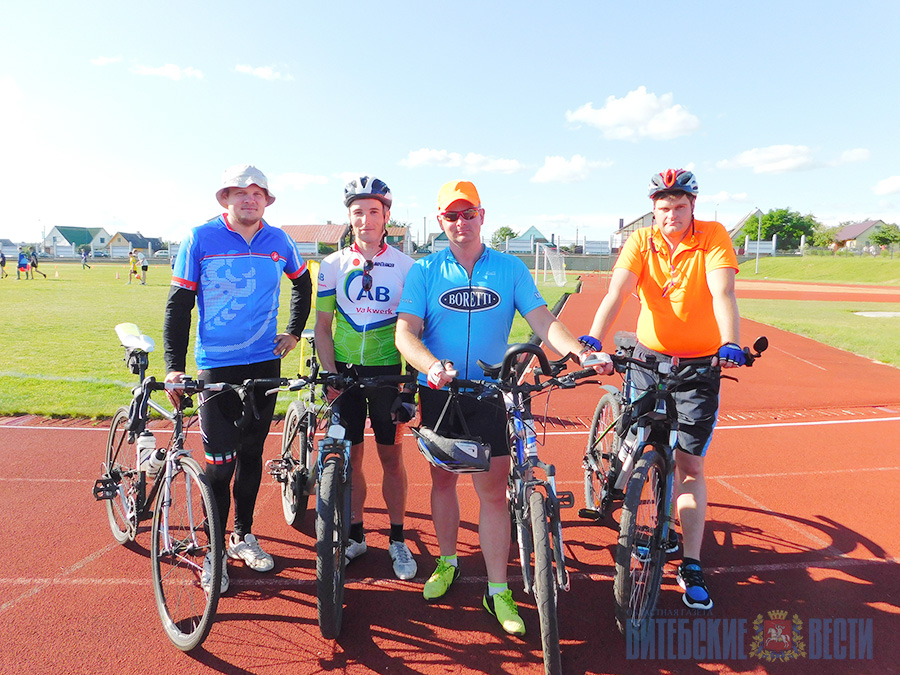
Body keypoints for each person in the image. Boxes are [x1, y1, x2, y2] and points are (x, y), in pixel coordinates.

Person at [394, 180, 593, 636]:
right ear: (440, 220)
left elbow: (543, 321)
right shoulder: (425, 271)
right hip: (441, 391)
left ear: (482, 215)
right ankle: (447, 563)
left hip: (490, 393)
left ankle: (498, 589)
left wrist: (579, 350)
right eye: (451, 215)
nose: (460, 222)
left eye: (468, 214)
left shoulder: (509, 268)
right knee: (443, 480)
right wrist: (430, 365)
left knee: (492, 490)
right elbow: (406, 332)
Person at [582, 168, 744, 611]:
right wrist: (594, 338)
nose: (671, 215)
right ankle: (641, 513)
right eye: (662, 208)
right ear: (653, 211)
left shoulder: (712, 237)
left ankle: (690, 564)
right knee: (640, 447)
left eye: (679, 206)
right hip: (649, 360)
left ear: (693, 205)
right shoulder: (642, 241)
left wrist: (730, 341)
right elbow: (618, 291)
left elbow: (722, 293)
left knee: (690, 464)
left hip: (699, 367)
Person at [163, 164, 313, 594]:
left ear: (266, 200)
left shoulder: (279, 240)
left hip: (265, 365)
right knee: (218, 466)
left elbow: (302, 283)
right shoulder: (200, 238)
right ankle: (213, 552)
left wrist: (294, 331)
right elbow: (179, 305)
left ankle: (242, 535)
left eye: (257, 193)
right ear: (225, 198)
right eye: (240, 193)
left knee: (251, 453)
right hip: (217, 366)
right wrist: (175, 365)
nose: (249, 199)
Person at [315, 176, 418, 580]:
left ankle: (397, 538)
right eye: (358, 211)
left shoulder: (408, 267)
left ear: (386, 217)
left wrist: (408, 384)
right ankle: (356, 534)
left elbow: (414, 330)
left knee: (391, 459)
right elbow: (323, 327)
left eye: (373, 211)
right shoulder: (331, 265)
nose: (365, 218)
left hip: (388, 376)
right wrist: (329, 373)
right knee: (352, 459)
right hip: (345, 376)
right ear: (350, 218)